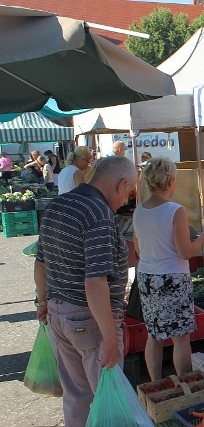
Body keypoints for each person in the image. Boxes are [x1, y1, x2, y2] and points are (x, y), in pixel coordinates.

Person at [34, 156, 138, 427]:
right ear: (121, 184)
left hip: (58, 315)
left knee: (77, 397)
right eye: (130, 191)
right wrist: (109, 338)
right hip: (89, 322)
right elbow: (94, 282)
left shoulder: (57, 205)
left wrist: (42, 302)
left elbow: (40, 261)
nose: (128, 200)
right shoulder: (98, 213)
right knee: (109, 401)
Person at [133, 157, 204, 381]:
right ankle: (186, 386)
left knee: (154, 335)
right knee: (180, 338)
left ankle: (156, 384)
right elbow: (185, 252)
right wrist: (203, 239)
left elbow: (139, 249)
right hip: (172, 278)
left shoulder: (138, 211)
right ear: (169, 181)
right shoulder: (175, 211)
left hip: (147, 278)